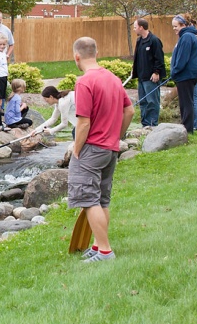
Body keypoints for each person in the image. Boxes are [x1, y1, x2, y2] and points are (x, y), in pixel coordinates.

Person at [70, 37, 134, 263]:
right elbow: (130, 111)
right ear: (96, 52)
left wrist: (76, 150)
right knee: (102, 199)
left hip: (92, 149)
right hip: (109, 149)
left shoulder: (85, 82)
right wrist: (117, 136)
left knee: (88, 199)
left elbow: (84, 122)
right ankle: (98, 246)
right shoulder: (113, 78)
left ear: (77, 56)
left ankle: (105, 251)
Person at [170, 14, 197, 134]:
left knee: (186, 103)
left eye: (176, 26)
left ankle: (187, 130)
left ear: (183, 25)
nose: (174, 29)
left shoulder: (187, 37)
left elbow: (182, 58)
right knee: (185, 102)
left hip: (186, 75)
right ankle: (186, 127)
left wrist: (174, 71)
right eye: (173, 27)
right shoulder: (186, 36)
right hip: (186, 75)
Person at [131, 18, 166, 127]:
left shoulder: (154, 40)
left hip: (151, 77)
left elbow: (159, 59)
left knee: (152, 101)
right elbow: (137, 57)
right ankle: (145, 124)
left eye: (135, 27)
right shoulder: (139, 41)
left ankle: (152, 124)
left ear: (141, 27)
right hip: (141, 76)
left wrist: (156, 72)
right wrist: (134, 69)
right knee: (143, 101)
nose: (134, 29)